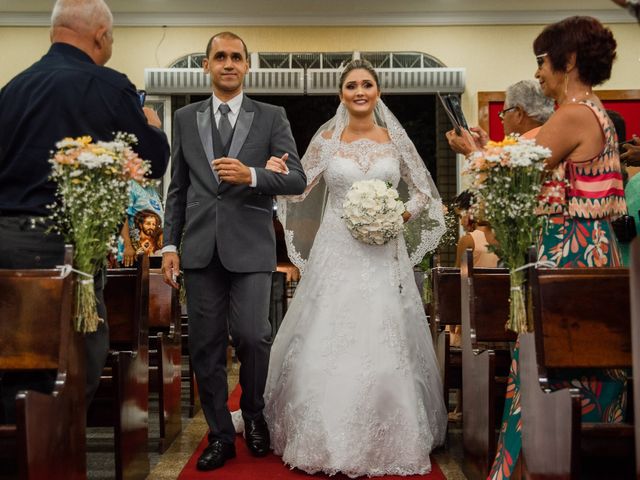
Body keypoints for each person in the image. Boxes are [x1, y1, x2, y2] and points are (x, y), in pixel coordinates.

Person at [262, 59, 447, 477]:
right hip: (337, 250)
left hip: (382, 252)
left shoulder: (395, 141)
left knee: (383, 334)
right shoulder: (327, 139)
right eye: (351, 86)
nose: (359, 91)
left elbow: (422, 194)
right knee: (328, 331)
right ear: (341, 94)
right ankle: (320, 433)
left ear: (378, 91)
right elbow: (297, 189)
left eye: (366, 84)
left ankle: (390, 432)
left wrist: (395, 215)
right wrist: (277, 173)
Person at [0, 0, 170, 423]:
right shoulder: (109, 86)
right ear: (100, 36)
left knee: (10, 357)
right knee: (76, 359)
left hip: (4, 242)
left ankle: (16, 446)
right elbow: (150, 163)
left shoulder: (13, 89)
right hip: (59, 247)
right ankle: (50, 451)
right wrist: (152, 129)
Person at [161, 31, 306, 471]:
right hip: (200, 250)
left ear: (247, 66)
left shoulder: (271, 116)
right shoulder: (186, 118)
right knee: (203, 346)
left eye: (236, 57)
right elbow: (179, 188)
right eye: (220, 56)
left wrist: (254, 176)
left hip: (251, 248)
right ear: (206, 65)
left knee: (253, 335)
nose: (228, 63)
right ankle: (221, 435)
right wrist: (170, 242)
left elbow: (297, 179)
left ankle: (255, 414)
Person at [491, 17, 627, 479]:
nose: (538, 73)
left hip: (569, 252)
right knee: (584, 367)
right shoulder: (595, 111)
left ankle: (536, 467)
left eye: (542, 61)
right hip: (591, 251)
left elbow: (515, 169)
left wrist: (480, 155)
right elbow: (521, 154)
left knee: (549, 366)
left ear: (567, 61)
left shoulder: (572, 113)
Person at [118, 179, 164, 267]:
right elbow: (123, 215)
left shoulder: (151, 189)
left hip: (153, 255)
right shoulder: (130, 185)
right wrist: (127, 246)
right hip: (133, 256)